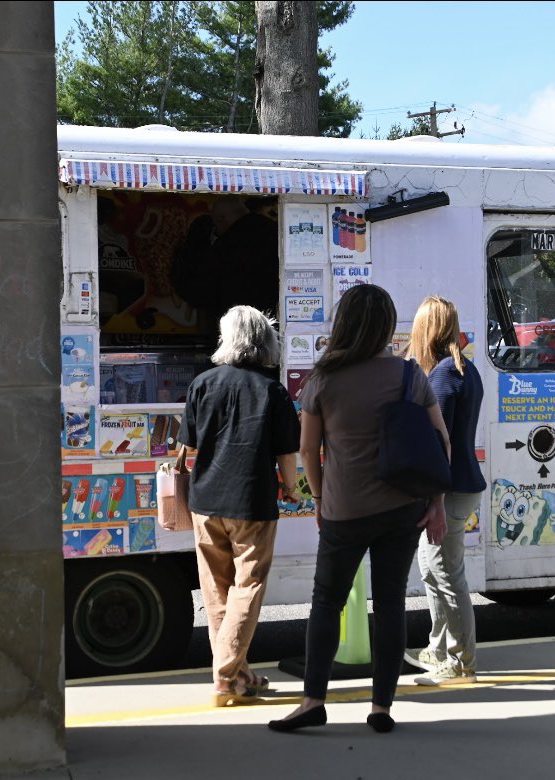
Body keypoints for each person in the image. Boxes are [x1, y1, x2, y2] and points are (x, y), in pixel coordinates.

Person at [268, 284, 449, 735]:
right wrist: (437, 503)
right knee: (390, 604)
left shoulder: (324, 379)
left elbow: (308, 449)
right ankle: (382, 708)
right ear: (387, 324)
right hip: (404, 506)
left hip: (345, 510)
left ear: (343, 323)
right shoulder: (410, 375)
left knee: (326, 602)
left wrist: (319, 497)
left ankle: (313, 701)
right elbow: (440, 441)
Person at [178, 305, 301, 707]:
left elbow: (188, 447)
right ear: (265, 341)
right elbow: (286, 454)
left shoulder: (202, 384)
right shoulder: (272, 391)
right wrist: (293, 490)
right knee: (247, 588)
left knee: (217, 592)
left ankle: (239, 673)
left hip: (205, 501)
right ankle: (226, 676)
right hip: (250, 502)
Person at [403, 295, 486, 686]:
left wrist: (432, 498)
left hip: (448, 490)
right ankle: (438, 650)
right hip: (463, 484)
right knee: (433, 567)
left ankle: (460, 662)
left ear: (426, 329)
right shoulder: (465, 369)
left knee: (447, 573)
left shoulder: (439, 376)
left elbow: (440, 445)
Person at [171, 197, 279, 327]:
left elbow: (201, 290)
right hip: (271, 322)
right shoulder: (274, 232)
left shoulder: (226, 246)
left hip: (236, 325)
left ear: (221, 220)